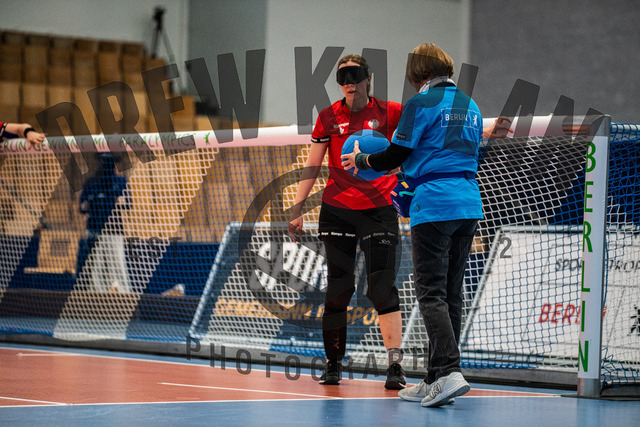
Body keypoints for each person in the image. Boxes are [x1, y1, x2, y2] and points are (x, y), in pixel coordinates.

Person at [342, 43, 497, 407]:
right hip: (468, 203)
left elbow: (395, 154)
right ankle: (435, 378)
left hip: (435, 205)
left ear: (419, 74)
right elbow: (446, 152)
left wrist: (362, 160)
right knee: (451, 294)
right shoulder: (471, 105)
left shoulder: (420, 104)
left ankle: (450, 372)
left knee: (430, 294)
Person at [288, 54, 407, 389]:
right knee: (339, 289)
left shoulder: (392, 112)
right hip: (337, 209)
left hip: (379, 208)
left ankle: (395, 367)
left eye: (355, 76)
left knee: (382, 287)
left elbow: (417, 145)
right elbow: (313, 165)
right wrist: (297, 208)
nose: (349, 83)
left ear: (368, 78)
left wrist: (400, 172)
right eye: (342, 78)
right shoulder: (328, 117)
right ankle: (333, 364)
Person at [78, 152, 131, 293]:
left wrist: (120, 201)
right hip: (94, 230)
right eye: (104, 160)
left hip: (114, 230)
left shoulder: (121, 182)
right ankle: (95, 293)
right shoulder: (91, 182)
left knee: (117, 264)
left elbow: (128, 203)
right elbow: (82, 207)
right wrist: (90, 202)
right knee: (96, 266)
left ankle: (121, 291)